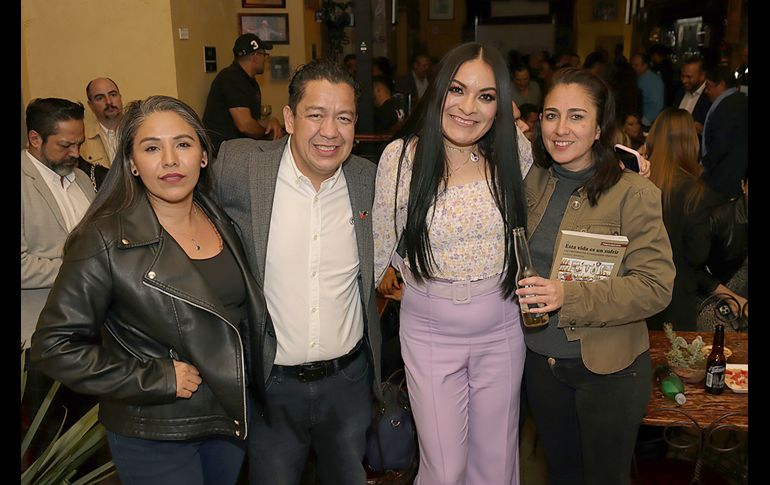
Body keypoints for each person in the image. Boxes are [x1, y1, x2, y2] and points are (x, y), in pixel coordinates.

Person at [30, 95, 269, 485]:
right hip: (156, 430)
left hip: (227, 420)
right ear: (132, 164)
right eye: (152, 147)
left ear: (204, 156)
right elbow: (53, 348)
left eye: (184, 144)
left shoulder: (222, 221)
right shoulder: (104, 240)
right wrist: (154, 378)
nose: (170, 160)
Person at [210, 58, 381, 485]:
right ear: (289, 118)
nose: (330, 131)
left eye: (343, 118)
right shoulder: (241, 167)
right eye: (316, 115)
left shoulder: (369, 179)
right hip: (270, 385)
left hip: (349, 382)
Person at [373, 42, 529, 485]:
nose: (467, 107)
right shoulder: (402, 160)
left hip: (502, 327)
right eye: (457, 90)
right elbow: (383, 245)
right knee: (444, 469)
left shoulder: (512, 154)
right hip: (429, 332)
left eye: (485, 96)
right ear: (439, 89)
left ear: (500, 104)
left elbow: (566, 179)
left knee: (495, 467)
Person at [519, 67, 675, 485]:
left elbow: (656, 287)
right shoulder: (533, 179)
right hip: (541, 364)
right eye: (551, 115)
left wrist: (566, 296)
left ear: (599, 125)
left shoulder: (634, 193)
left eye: (576, 116)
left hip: (609, 372)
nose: (560, 128)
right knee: (562, 475)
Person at [22, 98, 95, 348]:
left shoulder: (83, 179)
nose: (75, 153)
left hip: (89, 327)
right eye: (65, 145)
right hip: (38, 334)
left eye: (79, 144)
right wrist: (82, 270)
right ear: (35, 139)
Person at [644, 108, 723, 331]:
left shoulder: (638, 184)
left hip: (638, 296)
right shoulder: (695, 193)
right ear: (691, 142)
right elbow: (698, 254)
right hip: (678, 299)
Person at [202, 33, 282, 157]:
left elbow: (252, 121)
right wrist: (269, 135)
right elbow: (245, 126)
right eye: (264, 54)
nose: (265, 59)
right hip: (223, 155)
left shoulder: (249, 82)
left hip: (237, 150)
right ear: (255, 56)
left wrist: (271, 123)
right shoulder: (232, 79)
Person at [701, 64, 748, 200]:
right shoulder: (740, 101)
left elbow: (720, 145)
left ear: (721, 85)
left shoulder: (727, 107)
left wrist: (705, 166)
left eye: (708, 86)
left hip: (725, 178)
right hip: (737, 175)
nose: (706, 92)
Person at [81, 77, 123, 169]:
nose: (108, 102)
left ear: (120, 97)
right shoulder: (82, 140)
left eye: (113, 95)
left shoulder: (139, 131)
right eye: (100, 98)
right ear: (90, 105)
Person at [673, 55, 710, 135]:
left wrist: (703, 131)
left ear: (702, 76)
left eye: (689, 77)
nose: (684, 80)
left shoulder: (709, 96)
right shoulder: (680, 92)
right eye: (682, 76)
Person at [631, 52, 664, 130]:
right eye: (632, 65)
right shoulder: (638, 77)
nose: (633, 68)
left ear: (645, 65)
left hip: (647, 122)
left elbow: (657, 104)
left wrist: (645, 121)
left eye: (636, 65)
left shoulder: (654, 80)